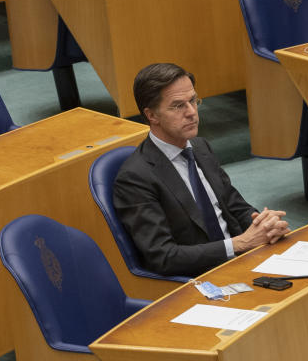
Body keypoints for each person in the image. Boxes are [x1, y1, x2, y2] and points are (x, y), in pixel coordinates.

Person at [113, 63, 291, 277]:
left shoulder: (200, 147)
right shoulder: (135, 177)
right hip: (200, 278)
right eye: (178, 106)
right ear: (152, 115)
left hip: (241, 259)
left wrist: (264, 225)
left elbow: (234, 205)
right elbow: (163, 256)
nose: (191, 113)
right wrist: (238, 244)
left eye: (193, 101)